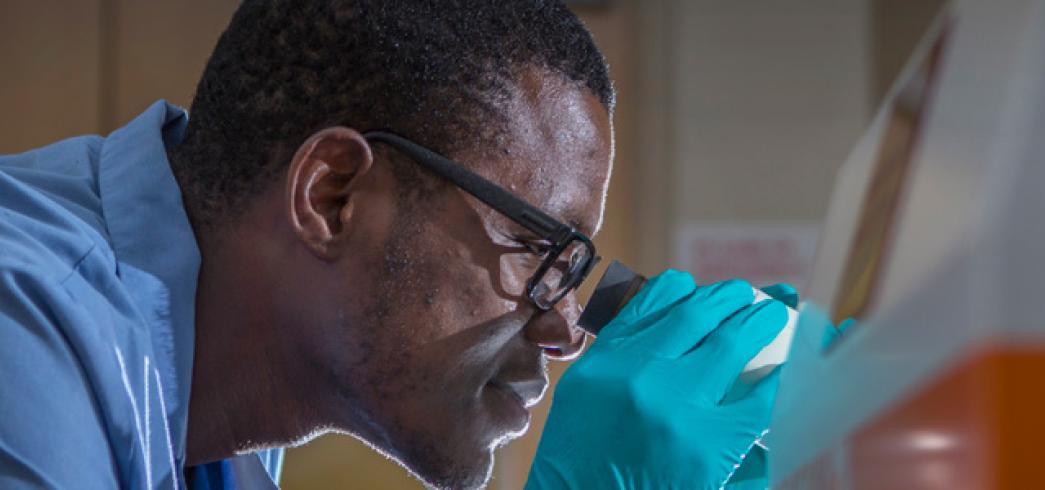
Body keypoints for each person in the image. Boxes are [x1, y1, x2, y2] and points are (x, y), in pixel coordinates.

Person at [0, 1, 789, 488]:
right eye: (536, 246)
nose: (563, 329)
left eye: (574, 271)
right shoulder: (24, 337)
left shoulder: (211, 365)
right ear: (333, 195)